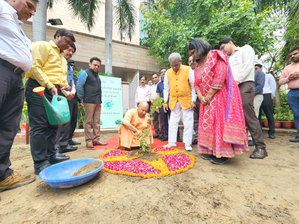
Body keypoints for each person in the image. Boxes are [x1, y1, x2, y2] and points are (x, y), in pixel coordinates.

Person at [188, 38, 249, 164]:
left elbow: (219, 77)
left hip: (218, 97)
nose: (192, 56)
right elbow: (196, 83)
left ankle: (222, 154)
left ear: (200, 47)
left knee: (218, 125)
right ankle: (211, 150)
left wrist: (208, 96)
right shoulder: (199, 64)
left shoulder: (216, 55)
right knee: (209, 126)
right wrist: (200, 96)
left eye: (193, 52)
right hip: (205, 101)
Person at [0, 0, 38, 192]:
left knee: (8, 127)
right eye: (29, 5)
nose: (31, 12)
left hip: (16, 77)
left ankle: (3, 174)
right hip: (2, 70)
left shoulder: (17, 25)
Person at [25, 28, 75, 174]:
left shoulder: (61, 57)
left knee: (53, 124)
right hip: (38, 88)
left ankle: (51, 155)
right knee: (39, 126)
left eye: (70, 44)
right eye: (66, 42)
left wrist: (63, 86)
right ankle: (40, 162)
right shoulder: (42, 46)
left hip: (54, 91)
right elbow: (34, 67)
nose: (68, 46)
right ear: (58, 36)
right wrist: (49, 85)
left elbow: (60, 76)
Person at [218, 37, 268, 159]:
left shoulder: (246, 49)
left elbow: (247, 67)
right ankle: (236, 146)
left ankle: (261, 148)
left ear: (230, 43)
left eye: (222, 48)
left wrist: (234, 83)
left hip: (244, 85)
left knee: (249, 116)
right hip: (231, 89)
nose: (223, 51)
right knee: (233, 118)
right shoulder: (227, 59)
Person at [163, 53, 197, 151]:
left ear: (180, 61)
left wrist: (193, 100)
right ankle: (172, 142)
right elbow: (166, 88)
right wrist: (165, 101)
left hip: (187, 99)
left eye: (176, 65)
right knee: (173, 121)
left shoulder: (188, 69)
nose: (174, 67)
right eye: (172, 65)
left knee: (188, 121)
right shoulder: (168, 73)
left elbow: (193, 85)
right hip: (174, 100)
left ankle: (187, 143)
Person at [76, 57, 107, 148]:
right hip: (89, 100)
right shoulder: (84, 73)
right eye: (95, 65)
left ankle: (96, 139)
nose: (97, 67)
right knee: (88, 122)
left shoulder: (97, 75)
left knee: (97, 121)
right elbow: (78, 86)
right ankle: (89, 141)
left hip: (98, 101)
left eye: (98, 66)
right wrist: (81, 98)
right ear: (89, 64)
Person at [54, 44, 79, 153]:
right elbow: (58, 79)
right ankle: (56, 148)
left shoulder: (67, 65)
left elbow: (71, 82)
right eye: (69, 50)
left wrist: (72, 92)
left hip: (69, 95)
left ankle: (63, 145)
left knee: (66, 121)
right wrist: (65, 92)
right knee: (59, 122)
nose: (70, 53)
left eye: (72, 51)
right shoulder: (58, 61)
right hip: (60, 93)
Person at [279, 47, 299, 142]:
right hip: (292, 93)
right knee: (297, 114)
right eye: (291, 55)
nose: (293, 56)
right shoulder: (287, 68)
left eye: (295, 54)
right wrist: (289, 78)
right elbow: (280, 81)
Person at [156, 68, 182, 142]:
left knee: (174, 120)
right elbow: (158, 95)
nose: (163, 73)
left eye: (165, 72)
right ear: (160, 75)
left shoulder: (172, 81)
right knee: (164, 121)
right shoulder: (159, 84)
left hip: (172, 104)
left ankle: (177, 136)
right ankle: (166, 135)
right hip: (162, 105)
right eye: (161, 72)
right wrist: (158, 104)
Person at [256, 64, 276, 139]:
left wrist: (271, 96)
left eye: (257, 68)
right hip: (257, 95)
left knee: (269, 114)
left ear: (261, 68)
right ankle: (259, 132)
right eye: (254, 69)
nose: (256, 70)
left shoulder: (268, 76)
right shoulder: (253, 77)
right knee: (257, 115)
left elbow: (273, 86)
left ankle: (271, 132)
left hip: (266, 95)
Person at [247, 69, 265, 146]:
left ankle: (251, 138)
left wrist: (250, 94)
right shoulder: (243, 71)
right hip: (244, 96)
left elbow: (260, 85)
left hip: (256, 96)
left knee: (254, 115)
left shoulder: (259, 73)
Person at [68, 60, 84, 145]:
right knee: (67, 120)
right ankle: (64, 141)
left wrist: (80, 101)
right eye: (70, 65)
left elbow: (76, 90)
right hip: (67, 99)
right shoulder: (64, 75)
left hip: (74, 100)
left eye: (73, 65)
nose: (72, 67)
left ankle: (69, 139)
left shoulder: (74, 77)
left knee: (73, 120)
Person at [188, 55, 200, 145]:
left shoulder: (200, 71)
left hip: (201, 98)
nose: (191, 62)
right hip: (192, 100)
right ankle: (196, 137)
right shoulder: (187, 73)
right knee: (194, 120)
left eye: (193, 60)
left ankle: (203, 138)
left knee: (202, 119)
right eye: (189, 61)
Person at [149, 73, 164, 139]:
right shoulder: (151, 87)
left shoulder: (161, 84)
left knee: (161, 119)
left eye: (155, 77)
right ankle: (157, 132)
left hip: (159, 103)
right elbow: (149, 95)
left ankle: (161, 133)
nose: (154, 79)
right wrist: (151, 101)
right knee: (154, 119)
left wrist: (158, 103)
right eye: (153, 78)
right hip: (153, 103)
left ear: (158, 77)